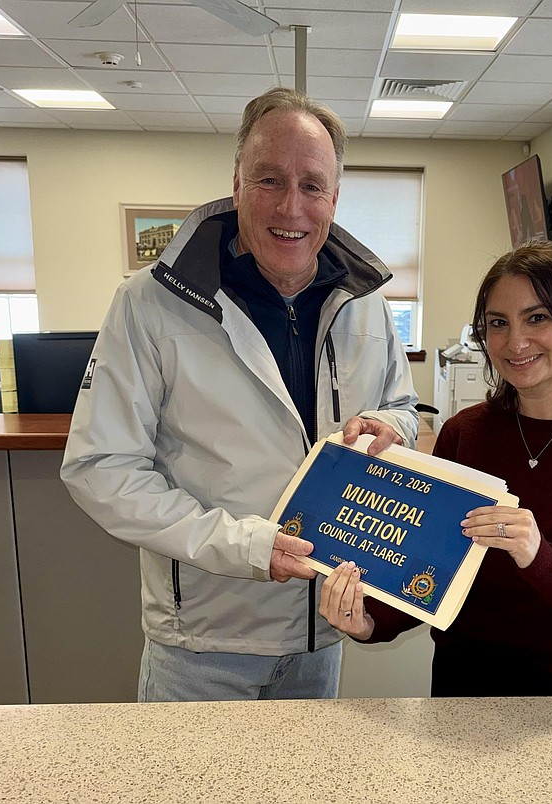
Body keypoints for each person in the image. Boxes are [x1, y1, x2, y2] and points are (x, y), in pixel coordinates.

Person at [60, 87, 418, 702]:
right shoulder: (150, 303)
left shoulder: (367, 305)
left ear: (334, 197)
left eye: (312, 185)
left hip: (321, 633)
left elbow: (403, 408)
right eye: (269, 179)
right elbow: (101, 468)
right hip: (202, 641)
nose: (291, 205)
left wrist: (393, 426)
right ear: (236, 183)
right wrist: (246, 547)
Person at [319, 241, 552, 697]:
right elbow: (434, 570)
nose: (515, 342)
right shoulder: (464, 435)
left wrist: (538, 554)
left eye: (538, 318)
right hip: (462, 681)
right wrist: (370, 620)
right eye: (497, 323)